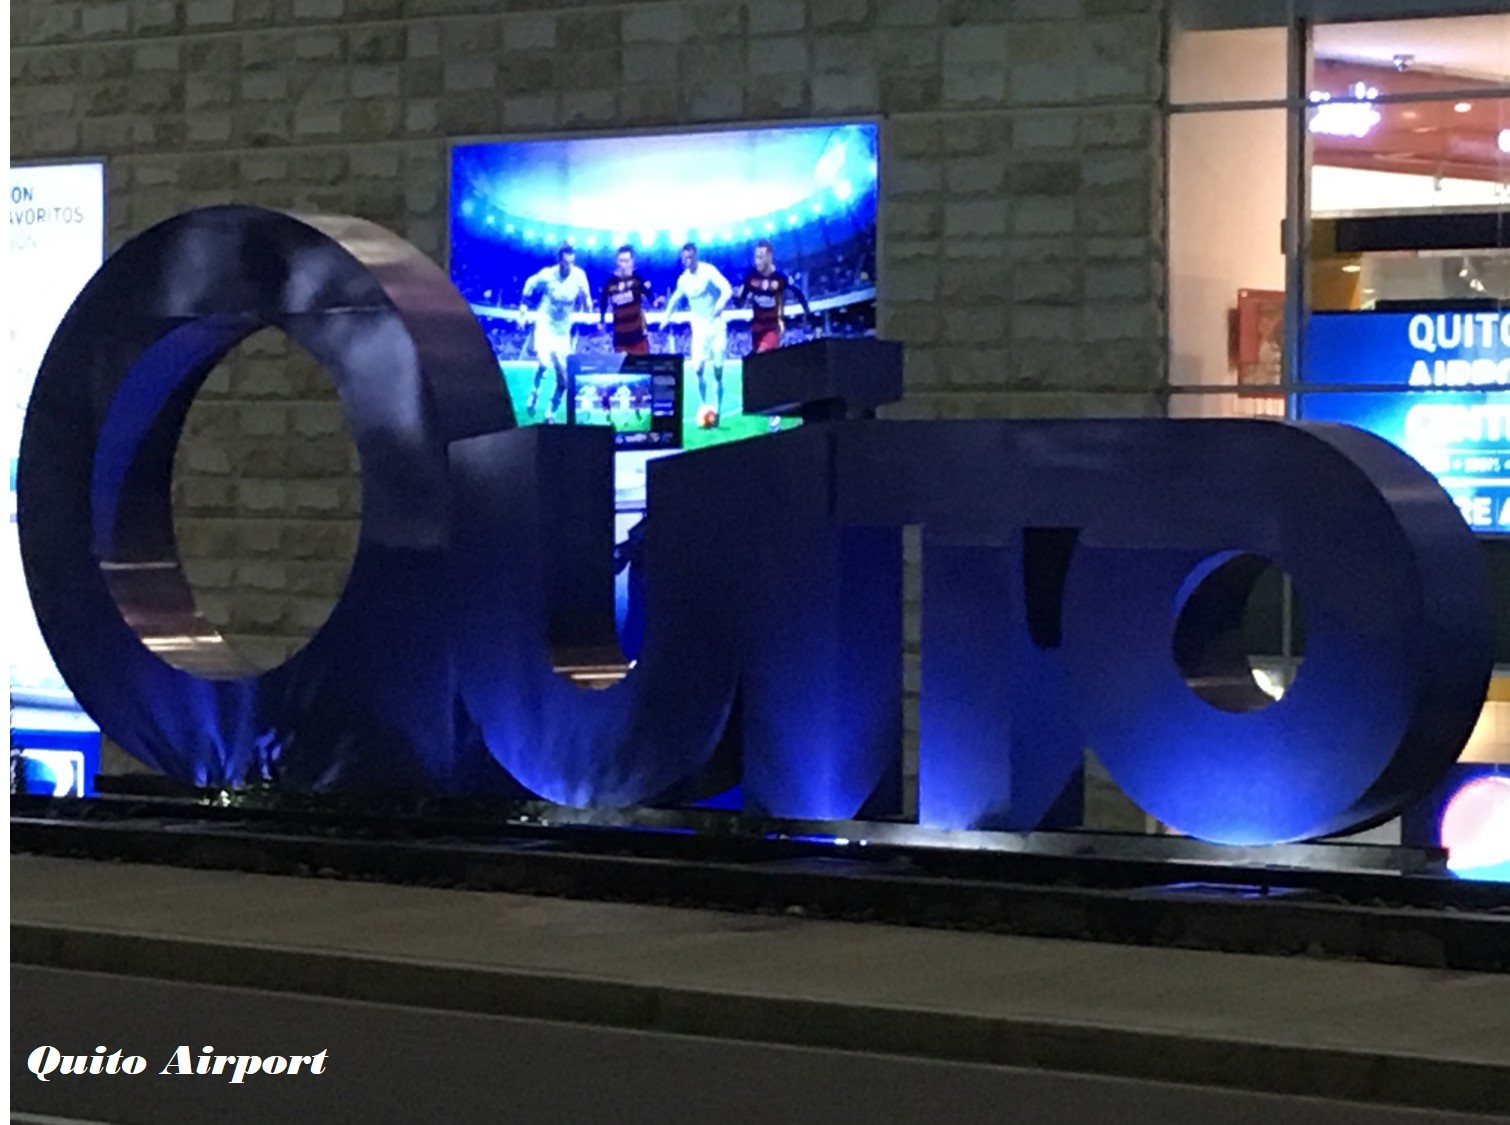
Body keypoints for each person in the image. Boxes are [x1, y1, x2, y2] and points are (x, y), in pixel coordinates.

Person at [662, 243, 733, 422]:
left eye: (690, 257)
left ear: (696, 256)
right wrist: (666, 318)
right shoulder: (683, 280)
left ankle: (718, 409)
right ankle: (704, 405)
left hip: (716, 327)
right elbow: (675, 300)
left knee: (718, 371)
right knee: (698, 369)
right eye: (684, 258)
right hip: (700, 330)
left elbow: (727, 289)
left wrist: (720, 304)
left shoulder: (708, 271)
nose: (687, 261)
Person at [521, 244, 592, 421]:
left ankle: (550, 412)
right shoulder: (548, 274)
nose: (568, 266)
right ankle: (534, 393)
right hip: (545, 323)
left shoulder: (579, 276)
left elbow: (586, 295)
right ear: (559, 260)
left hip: (562, 330)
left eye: (571, 262)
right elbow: (530, 283)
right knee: (544, 363)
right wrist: (523, 307)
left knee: (563, 378)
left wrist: (587, 304)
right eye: (565, 263)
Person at [738, 239, 812, 354]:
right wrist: (737, 298)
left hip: (773, 327)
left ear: (769, 257)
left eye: (760, 257)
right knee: (757, 358)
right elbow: (741, 301)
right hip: (757, 328)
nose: (757, 261)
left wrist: (807, 312)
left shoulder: (780, 276)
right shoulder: (751, 275)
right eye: (756, 257)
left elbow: (798, 292)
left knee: (761, 353)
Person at [600, 245, 654, 355]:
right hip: (620, 337)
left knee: (641, 364)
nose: (624, 264)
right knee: (623, 365)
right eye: (621, 260)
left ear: (632, 262)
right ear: (617, 262)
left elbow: (650, 296)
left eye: (627, 261)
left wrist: (656, 301)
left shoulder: (638, 279)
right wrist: (602, 320)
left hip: (637, 336)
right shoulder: (610, 282)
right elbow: (603, 302)